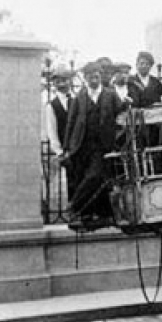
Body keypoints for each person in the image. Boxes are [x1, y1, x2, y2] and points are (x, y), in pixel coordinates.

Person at [61, 62, 125, 228]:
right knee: (86, 177)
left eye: (96, 76)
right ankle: (88, 215)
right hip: (82, 145)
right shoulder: (79, 97)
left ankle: (73, 206)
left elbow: (121, 114)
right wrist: (67, 147)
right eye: (90, 77)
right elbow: (71, 122)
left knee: (95, 176)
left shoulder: (110, 95)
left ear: (100, 76)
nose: (94, 79)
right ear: (86, 79)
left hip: (103, 145)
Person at [44, 64, 76, 203]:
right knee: (72, 181)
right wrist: (59, 152)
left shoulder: (79, 99)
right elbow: (52, 130)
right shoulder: (52, 105)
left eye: (65, 79)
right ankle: (74, 212)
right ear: (54, 84)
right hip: (67, 149)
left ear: (70, 80)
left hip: (82, 147)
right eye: (58, 81)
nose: (62, 83)